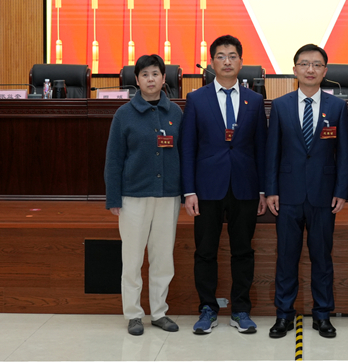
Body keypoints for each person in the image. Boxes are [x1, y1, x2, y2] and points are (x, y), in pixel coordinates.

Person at [181, 34, 268, 334]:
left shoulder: (254, 100)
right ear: (212, 62)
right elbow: (188, 147)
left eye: (232, 56)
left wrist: (262, 190)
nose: (227, 61)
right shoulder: (196, 99)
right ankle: (207, 308)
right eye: (221, 56)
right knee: (205, 250)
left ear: (241, 62)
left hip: (245, 187)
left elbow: (261, 148)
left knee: (243, 251)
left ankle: (241, 309)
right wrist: (189, 190)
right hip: (207, 188)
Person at [265, 44, 348, 339]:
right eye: (304, 64)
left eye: (316, 64)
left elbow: (344, 153)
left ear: (325, 71)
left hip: (323, 195)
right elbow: (272, 153)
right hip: (287, 195)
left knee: (322, 258)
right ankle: (283, 315)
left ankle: (323, 314)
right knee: (286, 258)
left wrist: (341, 190)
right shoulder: (280, 105)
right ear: (295, 70)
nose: (310, 69)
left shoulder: (337, 107)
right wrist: (271, 190)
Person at [104, 54, 183, 336]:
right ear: (136, 80)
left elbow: (184, 154)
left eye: (155, 74)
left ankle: (159, 312)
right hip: (133, 197)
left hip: (168, 196)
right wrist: (114, 197)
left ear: (164, 79)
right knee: (133, 258)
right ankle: (134, 314)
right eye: (145, 74)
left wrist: (186, 192)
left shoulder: (176, 113)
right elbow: (114, 159)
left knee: (163, 258)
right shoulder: (123, 114)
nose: (151, 79)